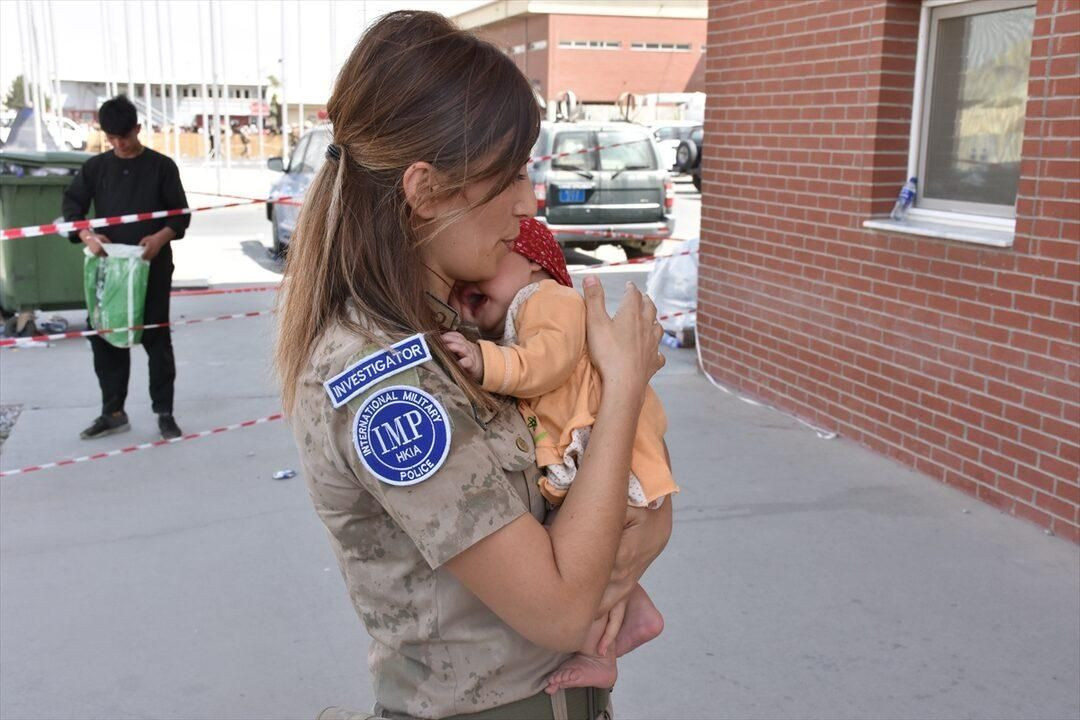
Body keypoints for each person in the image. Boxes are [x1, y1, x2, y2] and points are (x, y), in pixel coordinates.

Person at [276, 11, 672, 720]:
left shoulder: (457, 325)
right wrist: (623, 388)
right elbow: (555, 610)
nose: (527, 204)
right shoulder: (385, 382)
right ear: (425, 190)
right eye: (510, 174)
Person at [442, 217, 678, 695]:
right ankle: (634, 614)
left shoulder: (547, 300)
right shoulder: (518, 314)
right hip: (600, 449)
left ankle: (602, 648)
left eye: (491, 261)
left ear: (532, 263)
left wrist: (486, 361)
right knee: (599, 552)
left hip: (613, 455)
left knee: (590, 558)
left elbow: (546, 362)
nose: (468, 285)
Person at [62, 94, 188, 441]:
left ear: (138, 128)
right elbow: (72, 208)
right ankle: (113, 412)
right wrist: (88, 235)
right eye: (112, 139)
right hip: (110, 272)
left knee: (156, 339)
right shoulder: (95, 168)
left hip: (152, 270)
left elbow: (180, 214)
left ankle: (164, 412)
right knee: (105, 338)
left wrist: (161, 237)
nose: (120, 144)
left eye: (125, 137)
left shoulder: (162, 167)